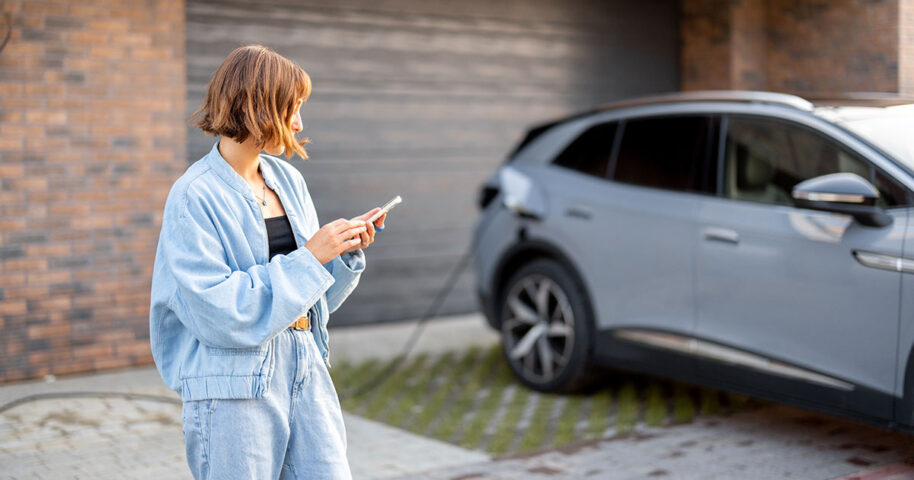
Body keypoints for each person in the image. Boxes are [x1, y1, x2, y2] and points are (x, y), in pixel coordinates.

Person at [148, 44, 384, 479]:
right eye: (291, 108)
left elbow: (308, 300)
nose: (298, 123)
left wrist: (342, 254)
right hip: (232, 385)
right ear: (256, 105)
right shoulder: (194, 195)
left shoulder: (288, 181)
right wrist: (311, 257)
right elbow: (220, 312)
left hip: (304, 370)